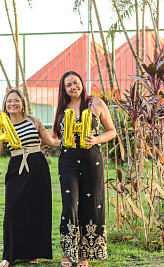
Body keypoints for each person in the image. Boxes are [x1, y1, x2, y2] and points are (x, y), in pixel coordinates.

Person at [0, 89, 61, 267]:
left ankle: (31, 252)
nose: (12, 103)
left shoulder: (34, 121)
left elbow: (51, 142)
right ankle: (9, 255)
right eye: (9, 101)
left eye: (16, 100)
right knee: (12, 209)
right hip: (16, 168)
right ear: (5, 104)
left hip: (38, 167)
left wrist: (71, 141)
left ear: (22, 103)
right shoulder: (3, 126)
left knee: (35, 209)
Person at [52, 71, 116, 267]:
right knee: (70, 204)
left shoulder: (95, 103)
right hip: (68, 161)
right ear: (64, 89)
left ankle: (84, 254)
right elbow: (54, 138)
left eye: (76, 83)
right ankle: (68, 251)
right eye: (68, 85)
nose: (73, 87)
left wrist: (96, 139)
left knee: (91, 204)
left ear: (82, 83)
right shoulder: (63, 109)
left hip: (92, 161)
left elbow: (112, 131)